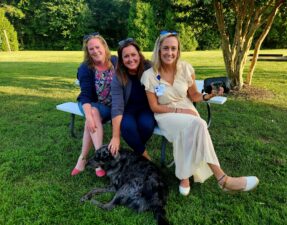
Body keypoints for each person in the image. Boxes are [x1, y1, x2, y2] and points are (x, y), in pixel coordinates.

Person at [140, 31, 259, 196]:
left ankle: (184, 177)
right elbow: (154, 107)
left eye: (174, 48)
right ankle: (223, 179)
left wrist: (208, 96)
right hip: (165, 113)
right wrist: (180, 110)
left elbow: (194, 95)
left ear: (178, 50)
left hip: (187, 107)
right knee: (199, 124)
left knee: (191, 128)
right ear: (159, 49)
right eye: (165, 48)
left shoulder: (186, 68)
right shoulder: (149, 75)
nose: (170, 52)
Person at [71, 33, 117, 177]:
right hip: (89, 104)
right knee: (93, 113)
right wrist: (89, 117)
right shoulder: (86, 68)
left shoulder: (115, 61)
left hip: (114, 106)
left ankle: (82, 159)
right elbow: (85, 96)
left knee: (90, 120)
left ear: (104, 46)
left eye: (98, 47)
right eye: (91, 49)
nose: (95, 51)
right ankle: (100, 158)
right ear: (87, 52)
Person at [108, 38, 156, 160]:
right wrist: (115, 136)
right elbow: (117, 106)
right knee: (127, 127)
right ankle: (145, 157)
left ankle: (136, 152)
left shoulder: (149, 68)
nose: (131, 59)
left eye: (133, 55)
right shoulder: (118, 76)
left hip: (147, 108)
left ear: (139, 55)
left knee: (146, 125)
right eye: (126, 56)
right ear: (122, 60)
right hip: (127, 109)